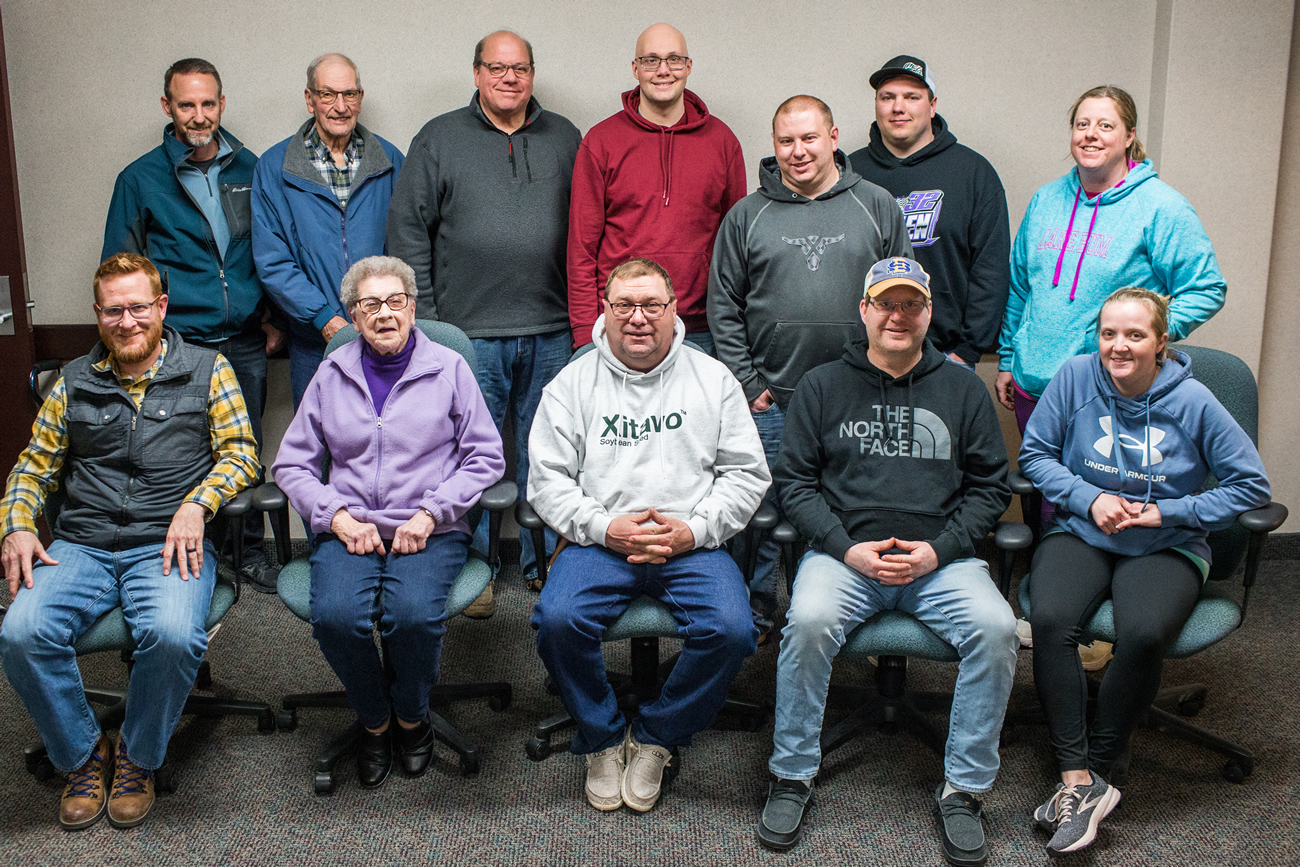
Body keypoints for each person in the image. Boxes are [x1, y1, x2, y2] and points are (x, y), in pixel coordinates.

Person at [757, 257, 1017, 866]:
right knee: (809, 620)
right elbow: (794, 484)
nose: (898, 316)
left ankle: (964, 789)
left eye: (912, 305)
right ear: (864, 311)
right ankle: (792, 775)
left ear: (929, 313)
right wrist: (846, 548)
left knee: (998, 628)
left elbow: (990, 488)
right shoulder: (823, 386)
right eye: (886, 304)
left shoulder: (961, 388)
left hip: (940, 560)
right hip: (844, 554)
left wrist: (940, 550)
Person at [0, 253, 259, 830]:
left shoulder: (206, 368)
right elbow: (32, 469)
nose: (127, 321)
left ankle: (138, 758)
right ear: (98, 315)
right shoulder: (72, 381)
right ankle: (84, 756)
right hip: (82, 544)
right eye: (113, 310)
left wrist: (198, 503)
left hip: (166, 541)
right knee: (19, 632)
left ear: (161, 307)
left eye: (139, 307)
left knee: (170, 635)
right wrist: (17, 523)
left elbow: (242, 452)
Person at [1018, 287, 1269, 856]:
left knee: (1144, 632)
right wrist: (1087, 498)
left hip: (1167, 542)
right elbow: (1035, 455)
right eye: (1109, 333)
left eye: (1135, 335)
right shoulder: (1076, 378)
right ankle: (1076, 779)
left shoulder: (1196, 399)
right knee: (1052, 619)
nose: (1119, 346)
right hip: (1085, 531)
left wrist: (1168, 511)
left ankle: (1101, 770)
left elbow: (1251, 485)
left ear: (1161, 342)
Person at [528, 258, 769, 813]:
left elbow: (746, 472)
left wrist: (695, 530)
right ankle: (604, 737)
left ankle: (658, 737)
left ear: (673, 309)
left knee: (733, 630)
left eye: (651, 305)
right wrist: (603, 527)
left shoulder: (712, 379)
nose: (638, 318)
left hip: (689, 542)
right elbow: (546, 480)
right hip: (600, 541)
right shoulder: (572, 383)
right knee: (557, 620)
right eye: (624, 306)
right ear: (605, 311)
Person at [272, 256, 505, 789]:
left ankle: (411, 719)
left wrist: (433, 511)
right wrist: (335, 515)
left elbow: (486, 456)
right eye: (369, 304)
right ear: (353, 317)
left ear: (412, 308)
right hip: (351, 527)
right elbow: (292, 463)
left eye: (395, 301)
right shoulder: (332, 373)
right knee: (333, 615)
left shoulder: (448, 367)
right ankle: (375, 721)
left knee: (413, 617)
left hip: (428, 527)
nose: (384, 314)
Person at [708, 94, 912, 639]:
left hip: (856, 399)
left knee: (836, 517)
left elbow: (903, 299)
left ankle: (821, 621)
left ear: (834, 137)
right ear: (774, 146)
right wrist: (748, 385)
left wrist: (885, 377)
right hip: (771, 401)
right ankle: (748, 620)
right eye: (785, 141)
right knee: (755, 518)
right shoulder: (747, 216)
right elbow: (723, 305)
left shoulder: (877, 204)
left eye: (809, 138)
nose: (798, 152)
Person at [386, 31, 580, 600]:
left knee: (551, 453)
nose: (509, 78)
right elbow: (407, 234)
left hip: (551, 328)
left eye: (519, 68)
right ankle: (475, 571)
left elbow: (590, 225)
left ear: (532, 74)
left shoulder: (565, 137)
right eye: (496, 68)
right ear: (476, 74)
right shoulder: (438, 138)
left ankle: (549, 563)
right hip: (468, 336)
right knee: (468, 455)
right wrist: (434, 325)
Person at [103, 58, 283, 591]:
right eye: (187, 105)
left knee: (242, 452)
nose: (199, 115)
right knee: (181, 455)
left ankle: (248, 555)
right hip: (179, 344)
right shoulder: (139, 179)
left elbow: (269, 249)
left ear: (222, 105)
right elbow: (122, 269)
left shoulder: (252, 168)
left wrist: (271, 317)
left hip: (245, 343)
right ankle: (194, 556)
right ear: (168, 108)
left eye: (208, 104)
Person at [996, 85, 1226, 430]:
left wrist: (1145, 336)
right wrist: (1008, 359)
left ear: (1129, 135)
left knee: (1101, 486)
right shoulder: (1045, 200)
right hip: (1032, 387)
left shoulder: (1160, 207)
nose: (1091, 135)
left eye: (1106, 126)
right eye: (1082, 124)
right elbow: (1019, 288)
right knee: (1041, 482)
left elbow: (1206, 289)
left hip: (1108, 392)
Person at [567, 22, 746, 353]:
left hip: (701, 329)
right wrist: (583, 333)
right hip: (619, 324)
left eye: (674, 59)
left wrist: (732, 328)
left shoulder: (722, 142)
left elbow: (736, 246)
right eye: (651, 60)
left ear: (688, 66)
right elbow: (581, 248)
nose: (663, 70)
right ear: (635, 69)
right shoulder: (601, 142)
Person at [252, 52, 404, 409]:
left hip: (384, 335)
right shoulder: (274, 167)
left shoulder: (391, 160)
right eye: (327, 95)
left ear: (360, 99)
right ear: (309, 100)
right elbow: (272, 260)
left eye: (349, 94)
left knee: (389, 444)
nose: (340, 106)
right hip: (312, 340)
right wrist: (324, 318)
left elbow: (407, 244)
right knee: (317, 450)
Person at [848, 55, 1010, 371]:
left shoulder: (973, 173)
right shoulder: (849, 174)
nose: (898, 107)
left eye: (912, 97)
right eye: (888, 97)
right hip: (863, 359)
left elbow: (990, 269)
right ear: (877, 104)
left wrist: (967, 350)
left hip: (947, 358)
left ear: (932, 105)